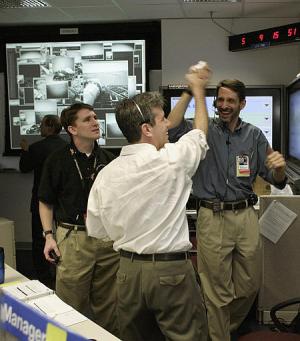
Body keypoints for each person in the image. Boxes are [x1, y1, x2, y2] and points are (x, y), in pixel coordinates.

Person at [86, 62, 211, 341]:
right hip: (171, 273)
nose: (168, 124)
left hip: (128, 273)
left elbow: (98, 231)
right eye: (161, 119)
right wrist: (199, 91)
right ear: (146, 128)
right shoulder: (171, 160)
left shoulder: (106, 175)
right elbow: (200, 134)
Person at [168, 78, 287, 341]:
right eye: (219, 100)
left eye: (230, 100)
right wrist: (189, 91)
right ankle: (219, 335)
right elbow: (170, 127)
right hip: (211, 215)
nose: (223, 105)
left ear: (242, 104)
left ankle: (215, 328)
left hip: (245, 216)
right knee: (216, 291)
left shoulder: (254, 135)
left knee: (249, 286)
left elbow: (275, 178)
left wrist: (279, 168)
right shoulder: (201, 130)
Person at [38, 103, 119, 336]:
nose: (95, 122)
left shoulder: (109, 159)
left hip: (106, 240)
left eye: (95, 117)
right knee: (70, 306)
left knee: (109, 306)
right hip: (73, 238)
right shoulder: (57, 160)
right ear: (72, 129)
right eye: (87, 119)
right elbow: (45, 201)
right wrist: (48, 236)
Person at [19, 114, 66, 288]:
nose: (39, 128)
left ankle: (42, 276)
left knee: (40, 239)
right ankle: (63, 271)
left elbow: (24, 168)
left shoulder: (36, 148)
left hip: (41, 199)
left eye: (41, 125)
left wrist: (24, 150)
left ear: (48, 126)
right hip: (63, 200)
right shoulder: (67, 146)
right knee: (64, 235)